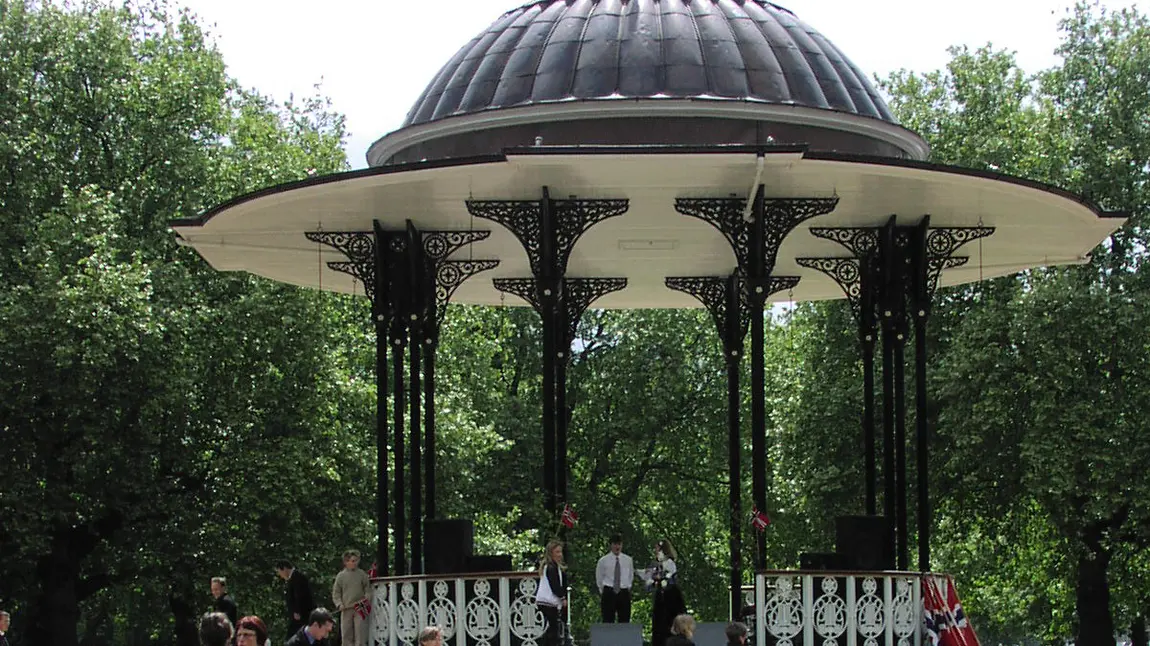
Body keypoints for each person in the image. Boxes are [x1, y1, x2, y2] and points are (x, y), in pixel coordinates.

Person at [641, 539, 686, 646]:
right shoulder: (656, 565)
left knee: (668, 622)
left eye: (657, 549)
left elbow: (669, 580)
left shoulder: (669, 563)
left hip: (670, 597)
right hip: (661, 596)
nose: (655, 551)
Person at [332, 550, 371, 646]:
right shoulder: (340, 576)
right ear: (346, 562)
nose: (355, 563)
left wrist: (366, 599)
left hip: (360, 608)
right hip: (346, 609)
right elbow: (336, 593)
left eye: (356, 560)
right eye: (352, 561)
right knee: (346, 634)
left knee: (360, 633)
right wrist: (339, 604)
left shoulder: (362, 574)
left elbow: (368, 590)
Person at [595, 533, 634, 623]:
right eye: (615, 544)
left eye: (619, 544)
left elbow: (630, 575)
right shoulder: (603, 561)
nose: (617, 547)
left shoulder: (628, 560)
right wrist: (603, 590)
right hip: (609, 591)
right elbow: (599, 577)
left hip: (623, 591)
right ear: (611, 545)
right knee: (608, 620)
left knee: (624, 620)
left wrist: (628, 586)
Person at [535, 540, 567, 646]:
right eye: (557, 552)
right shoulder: (551, 567)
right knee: (553, 630)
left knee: (553, 629)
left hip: (547, 602)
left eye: (560, 552)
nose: (560, 555)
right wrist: (562, 598)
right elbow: (555, 585)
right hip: (547, 602)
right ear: (551, 553)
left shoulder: (553, 567)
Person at [276, 560, 316, 640]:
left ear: (284, 568)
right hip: (298, 616)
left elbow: (299, 595)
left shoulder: (298, 577)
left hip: (301, 615)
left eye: (279, 572)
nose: (280, 575)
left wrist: (297, 610)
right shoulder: (293, 578)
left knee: (293, 638)